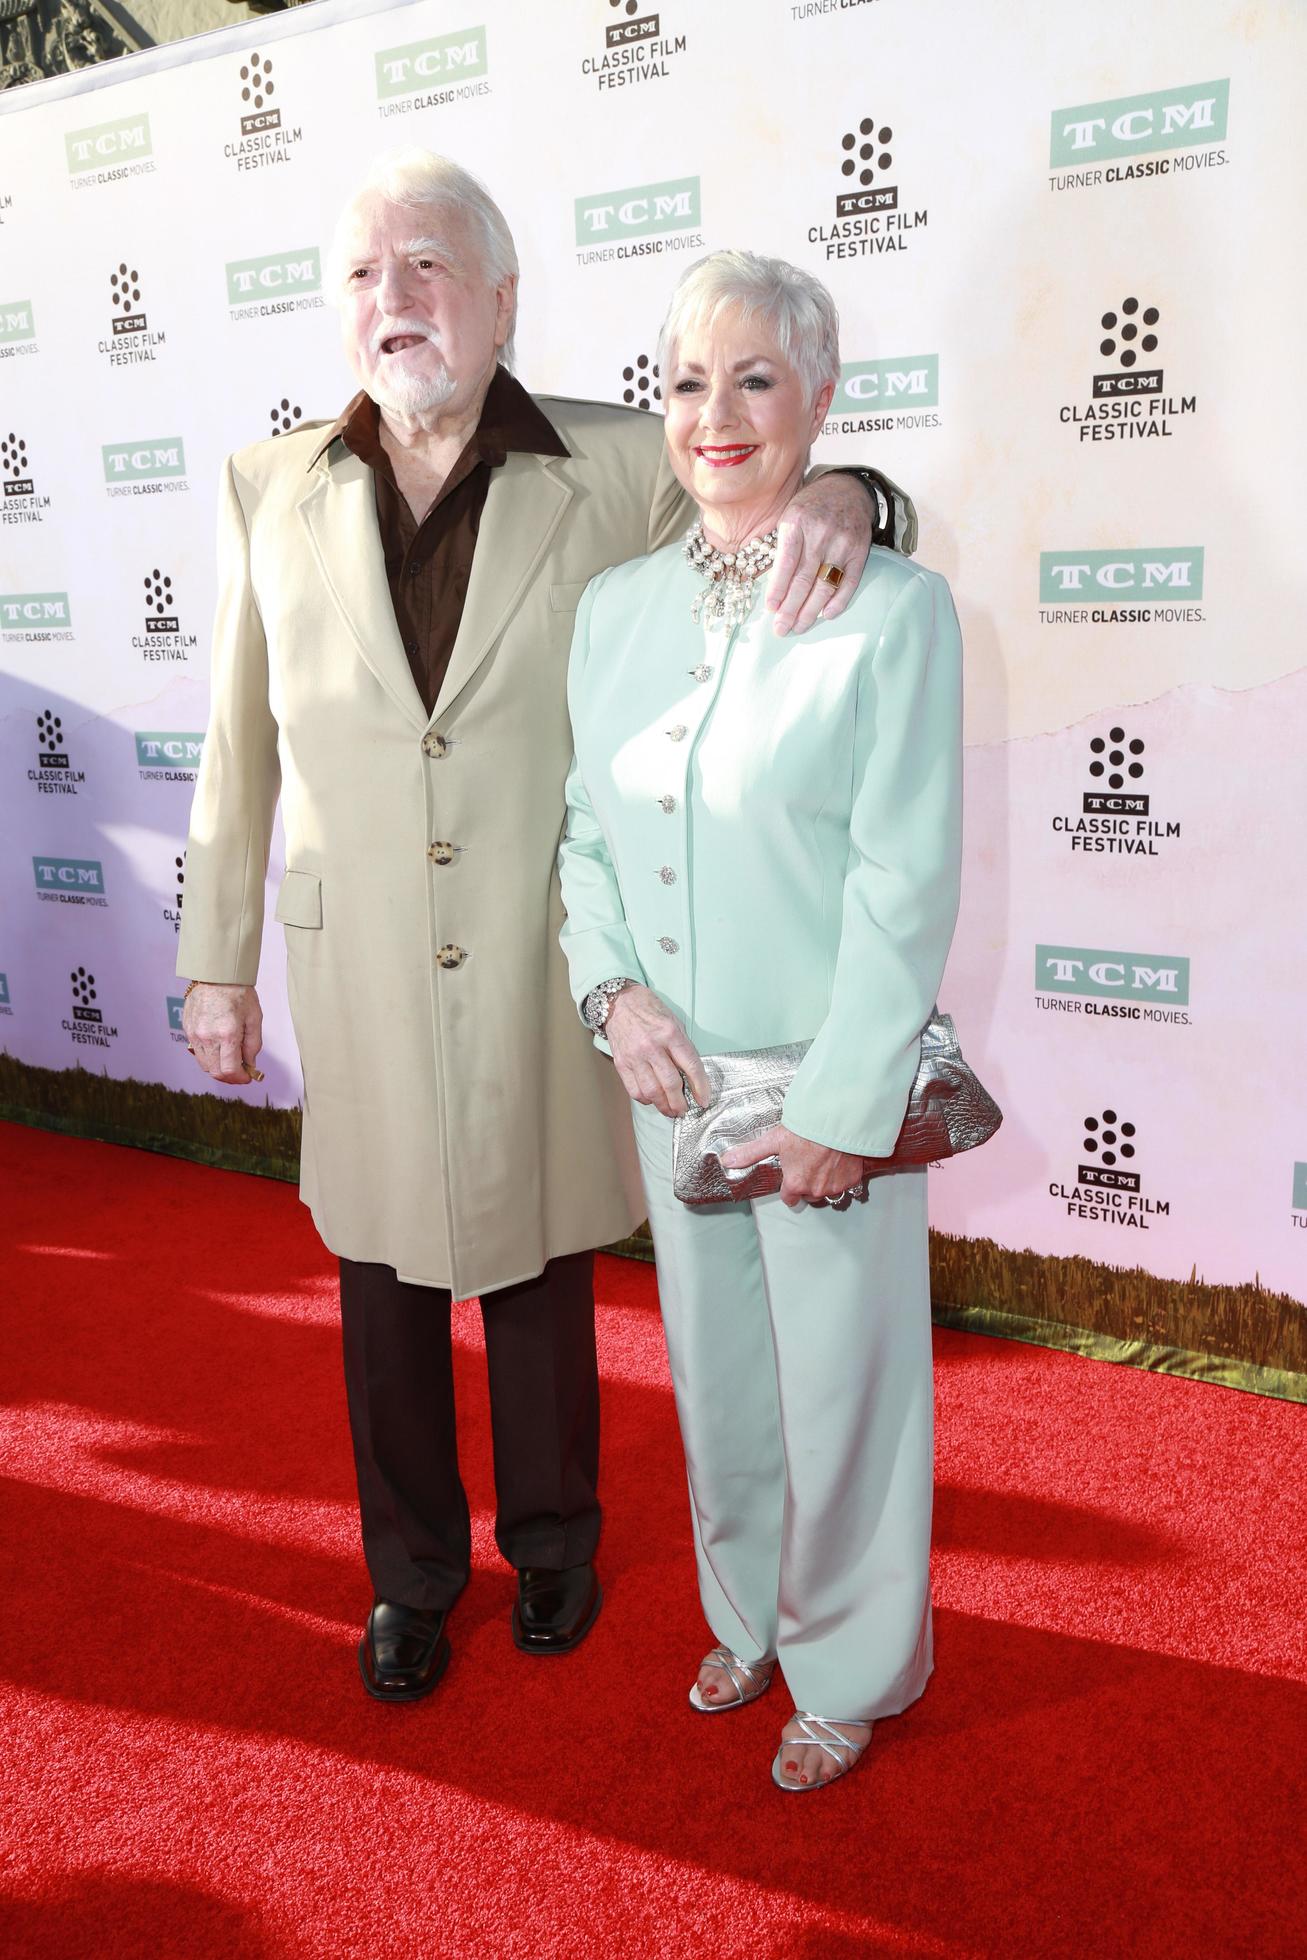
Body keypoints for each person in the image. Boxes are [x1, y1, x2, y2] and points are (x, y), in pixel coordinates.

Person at [176, 151, 896, 1705]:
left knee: (538, 1257)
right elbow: (237, 738)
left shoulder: (620, 458)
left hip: (540, 943)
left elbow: (752, 475)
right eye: (367, 274)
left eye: (431, 267)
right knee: (378, 1268)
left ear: (506, 298)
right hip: (354, 952)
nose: (397, 301)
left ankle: (556, 1546)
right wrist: (212, 954)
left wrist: (855, 490)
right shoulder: (266, 484)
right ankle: (412, 1577)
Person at [557, 250, 962, 1790]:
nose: (714, 416)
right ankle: (748, 1612)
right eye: (684, 382)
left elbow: (904, 878)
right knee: (720, 1372)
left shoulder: (898, 609)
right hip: (673, 1079)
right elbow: (582, 834)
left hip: (819, 1093)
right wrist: (615, 997)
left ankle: (853, 1661)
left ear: (820, 401)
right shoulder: (613, 610)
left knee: (850, 1387)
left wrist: (846, 1110)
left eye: (754, 379)